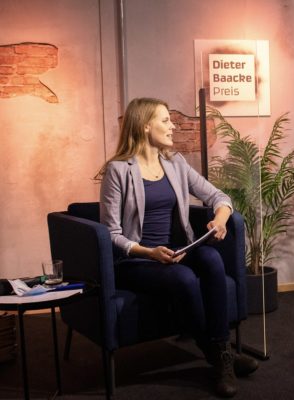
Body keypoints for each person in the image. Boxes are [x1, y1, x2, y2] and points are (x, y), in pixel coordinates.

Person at [97, 97, 258, 397]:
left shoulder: (175, 163)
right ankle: (218, 357)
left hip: (177, 250)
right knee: (183, 278)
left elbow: (219, 197)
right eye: (165, 120)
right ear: (145, 126)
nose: (172, 126)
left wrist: (221, 219)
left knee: (210, 258)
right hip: (138, 261)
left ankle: (222, 348)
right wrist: (148, 252)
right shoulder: (118, 170)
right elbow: (110, 234)